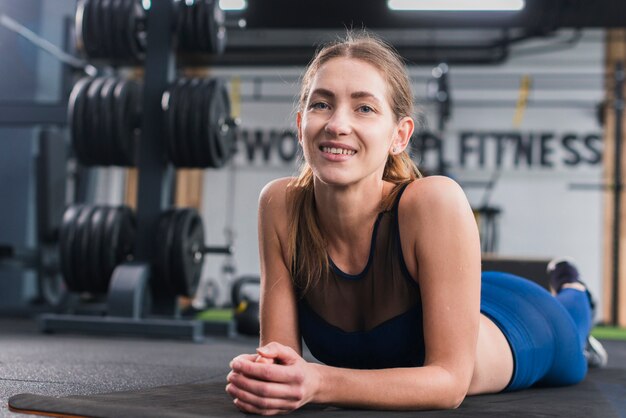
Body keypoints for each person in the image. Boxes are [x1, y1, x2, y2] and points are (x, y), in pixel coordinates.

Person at [225, 31, 607, 415]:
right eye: (322, 104)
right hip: (456, 298)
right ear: (300, 123)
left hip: (525, 322)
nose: (337, 124)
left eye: (364, 109)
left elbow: (449, 384)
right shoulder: (280, 204)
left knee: (573, 329)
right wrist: (266, 379)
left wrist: (319, 380)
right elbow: (280, 363)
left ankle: (574, 288)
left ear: (399, 136)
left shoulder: (432, 201)